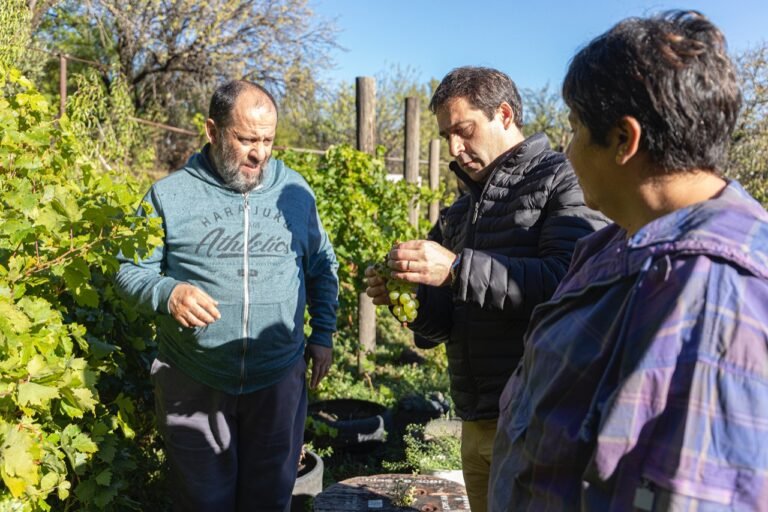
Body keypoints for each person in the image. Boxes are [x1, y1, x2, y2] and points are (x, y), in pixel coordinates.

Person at [488, 10, 768, 511]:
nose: (567, 150)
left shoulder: (711, 296)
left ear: (623, 140)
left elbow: (689, 497)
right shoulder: (620, 243)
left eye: (574, 129)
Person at [365, 66, 608, 512]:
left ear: (504, 114)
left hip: (539, 417)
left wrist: (458, 269)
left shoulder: (561, 179)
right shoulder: (459, 211)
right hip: (474, 420)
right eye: (446, 137)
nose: (456, 148)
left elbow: (569, 284)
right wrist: (413, 301)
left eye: (464, 130)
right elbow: (442, 326)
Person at [116, 80, 339, 512]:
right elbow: (128, 269)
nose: (259, 153)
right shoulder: (170, 195)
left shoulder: (295, 194)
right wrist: (167, 291)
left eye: (268, 140)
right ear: (213, 130)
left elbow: (321, 266)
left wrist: (323, 333)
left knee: (270, 499)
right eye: (246, 139)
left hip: (276, 378)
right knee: (203, 501)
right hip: (194, 378)